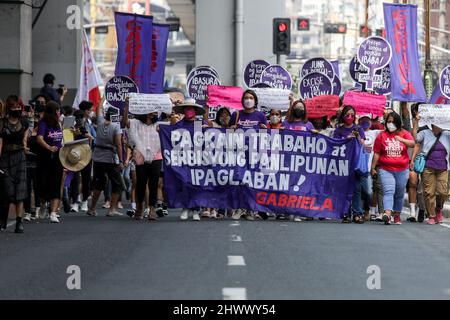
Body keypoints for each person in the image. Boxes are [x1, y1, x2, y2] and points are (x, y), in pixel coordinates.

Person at [230, 90, 268, 221]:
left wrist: (264, 130)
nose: (248, 100)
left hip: (254, 154)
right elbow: (227, 134)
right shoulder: (236, 114)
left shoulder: (261, 116)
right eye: (246, 97)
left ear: (255, 101)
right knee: (240, 180)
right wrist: (232, 128)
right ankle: (240, 208)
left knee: (251, 181)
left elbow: (267, 135)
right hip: (239, 153)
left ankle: (250, 209)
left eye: (251, 97)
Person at [371, 111, 415, 225]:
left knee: (399, 193)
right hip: (385, 169)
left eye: (393, 122)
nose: (390, 124)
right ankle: (387, 214)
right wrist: (373, 167)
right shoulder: (381, 135)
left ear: (398, 123)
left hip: (402, 169)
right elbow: (376, 153)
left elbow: (412, 143)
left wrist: (401, 140)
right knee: (388, 191)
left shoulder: (404, 133)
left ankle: (397, 215)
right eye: (388, 122)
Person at [123, 99, 162, 221]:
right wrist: (127, 105)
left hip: (156, 156)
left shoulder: (158, 125)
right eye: (149, 110)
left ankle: (152, 209)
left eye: (153, 111)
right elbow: (125, 121)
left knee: (154, 183)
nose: (151, 113)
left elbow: (171, 126)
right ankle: (139, 207)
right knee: (140, 183)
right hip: (140, 155)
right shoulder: (135, 123)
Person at [87, 100, 125, 217]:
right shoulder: (116, 126)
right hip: (110, 159)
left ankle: (92, 208)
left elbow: (98, 110)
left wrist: (100, 99)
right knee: (118, 184)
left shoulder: (100, 121)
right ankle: (112, 209)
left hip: (97, 158)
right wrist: (121, 160)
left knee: (99, 183)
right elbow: (118, 144)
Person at [411, 113, 450, 225]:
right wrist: (416, 122)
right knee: (429, 192)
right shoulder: (425, 133)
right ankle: (432, 215)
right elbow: (415, 139)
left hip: (443, 167)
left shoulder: (447, 134)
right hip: (428, 167)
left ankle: (439, 208)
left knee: (442, 192)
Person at [171, 101, 207, 221]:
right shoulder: (179, 124)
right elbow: (171, 135)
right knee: (185, 183)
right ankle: (186, 208)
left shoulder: (200, 124)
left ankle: (196, 209)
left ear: (195, 111)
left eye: (191, 109)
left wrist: (208, 129)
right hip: (184, 158)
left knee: (196, 184)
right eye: (186, 109)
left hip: (198, 159)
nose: (189, 111)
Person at [0, 96, 30, 233]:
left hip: (20, 157)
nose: (16, 109)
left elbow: (24, 140)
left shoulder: (24, 123)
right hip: (5, 158)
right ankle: (3, 219)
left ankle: (19, 222)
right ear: (8, 109)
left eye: (18, 107)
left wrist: (25, 146)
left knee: (20, 190)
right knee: (7, 191)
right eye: (13, 107)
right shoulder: (2, 123)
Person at [333, 105, 366, 223]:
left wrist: (357, 137)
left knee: (356, 188)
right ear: (343, 116)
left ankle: (357, 213)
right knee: (344, 188)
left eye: (352, 115)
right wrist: (346, 139)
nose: (350, 117)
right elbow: (335, 144)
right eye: (347, 114)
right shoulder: (339, 129)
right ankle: (345, 212)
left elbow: (363, 144)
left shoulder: (359, 129)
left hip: (355, 162)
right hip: (343, 163)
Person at [36, 101, 64, 223]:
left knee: (56, 183)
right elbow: (39, 138)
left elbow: (61, 139)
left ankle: (53, 212)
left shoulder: (58, 124)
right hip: (45, 157)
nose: (59, 112)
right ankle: (43, 204)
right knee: (43, 183)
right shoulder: (43, 123)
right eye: (57, 110)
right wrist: (48, 147)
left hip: (57, 157)